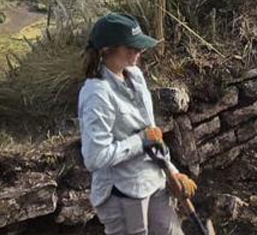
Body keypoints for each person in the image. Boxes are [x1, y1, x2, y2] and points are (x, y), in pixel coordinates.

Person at [78, 14, 197, 235]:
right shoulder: (97, 94)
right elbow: (95, 157)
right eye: (131, 47)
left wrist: (173, 173)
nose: (138, 51)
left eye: (139, 46)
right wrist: (139, 141)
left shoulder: (135, 76)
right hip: (122, 192)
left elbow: (153, 136)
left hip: (154, 180)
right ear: (106, 49)